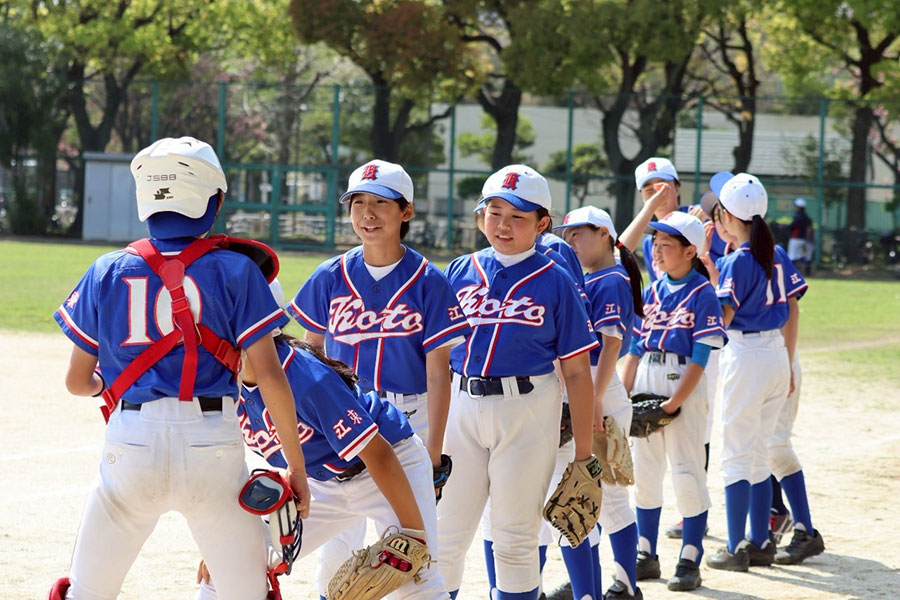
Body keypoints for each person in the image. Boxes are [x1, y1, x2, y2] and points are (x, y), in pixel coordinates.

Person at [47, 137, 309, 600]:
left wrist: (103, 387)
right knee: (246, 593)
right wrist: (295, 467)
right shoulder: (236, 269)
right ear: (216, 200)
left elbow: (75, 382)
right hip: (212, 446)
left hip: (131, 446)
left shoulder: (108, 268)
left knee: (85, 591)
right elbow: (268, 375)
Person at [288, 159, 470, 597]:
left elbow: (439, 372)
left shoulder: (429, 281)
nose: (367, 213)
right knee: (337, 553)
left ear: (406, 212)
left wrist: (434, 451)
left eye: (380, 203)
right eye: (358, 203)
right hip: (342, 418)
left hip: (408, 419)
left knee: (416, 555)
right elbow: (310, 355)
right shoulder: (331, 275)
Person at [196, 319, 451, 599]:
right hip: (321, 486)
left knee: (418, 583)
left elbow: (378, 453)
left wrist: (414, 536)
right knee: (227, 565)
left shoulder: (305, 378)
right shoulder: (226, 386)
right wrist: (222, 541)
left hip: (389, 465)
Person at [437, 165, 600, 600]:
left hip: (527, 408)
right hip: (461, 406)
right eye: (495, 212)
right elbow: (432, 357)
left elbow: (579, 372)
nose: (503, 225)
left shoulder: (557, 281)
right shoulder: (458, 271)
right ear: (479, 216)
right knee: (445, 537)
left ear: (542, 224)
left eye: (518, 216)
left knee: (514, 540)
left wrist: (584, 455)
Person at [704, 173, 824, 573]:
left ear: (724, 215)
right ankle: (760, 542)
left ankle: (738, 545)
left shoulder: (739, 259)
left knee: (737, 454)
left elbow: (726, 314)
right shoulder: (773, 252)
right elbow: (791, 306)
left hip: (748, 352)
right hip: (776, 353)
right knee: (758, 454)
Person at [620, 211, 727, 592]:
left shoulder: (703, 294)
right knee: (645, 475)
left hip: (682, 385)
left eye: (667, 244)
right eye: (656, 244)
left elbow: (701, 357)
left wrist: (672, 404)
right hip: (647, 378)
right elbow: (634, 347)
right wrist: (623, 397)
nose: (657, 251)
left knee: (686, 473)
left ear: (690, 251)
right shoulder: (651, 292)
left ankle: (690, 557)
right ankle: (646, 555)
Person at [555, 206, 645, 600]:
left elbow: (610, 347)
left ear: (605, 235)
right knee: (585, 497)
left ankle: (623, 586)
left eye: (579, 233)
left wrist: (591, 402)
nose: (572, 240)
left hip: (598, 390)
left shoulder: (610, 279)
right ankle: (590, 589)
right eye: (568, 234)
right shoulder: (592, 277)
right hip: (588, 391)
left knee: (602, 496)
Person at [618, 157, 685, 282]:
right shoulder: (650, 242)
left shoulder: (698, 217)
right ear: (642, 196)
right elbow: (619, 255)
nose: (657, 194)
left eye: (662, 185)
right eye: (649, 189)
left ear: (677, 188)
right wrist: (649, 207)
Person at [787, 198, 813, 274]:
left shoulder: (797, 216)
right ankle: (807, 266)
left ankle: (790, 273)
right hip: (804, 239)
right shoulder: (807, 217)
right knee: (798, 255)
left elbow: (792, 226)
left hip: (795, 238)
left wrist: (785, 227)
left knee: (791, 255)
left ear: (798, 207)